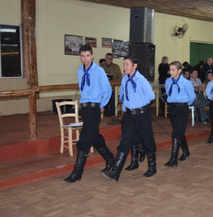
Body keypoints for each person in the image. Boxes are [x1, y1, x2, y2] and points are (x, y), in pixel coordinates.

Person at [64, 45, 114, 183]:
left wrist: (101, 105)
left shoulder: (99, 71)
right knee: (94, 136)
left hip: (94, 108)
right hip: (85, 108)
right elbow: (83, 89)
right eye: (82, 56)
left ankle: (77, 171)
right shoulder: (80, 70)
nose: (85, 59)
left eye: (87, 55)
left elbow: (108, 90)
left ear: (92, 55)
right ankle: (110, 158)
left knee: (85, 138)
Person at [103, 55, 157, 182]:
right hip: (129, 116)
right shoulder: (124, 79)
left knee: (147, 140)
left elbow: (151, 96)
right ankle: (115, 172)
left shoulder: (141, 80)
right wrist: (126, 104)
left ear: (134, 66)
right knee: (125, 142)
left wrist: (139, 103)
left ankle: (152, 167)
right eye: (124, 64)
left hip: (142, 115)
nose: (125, 67)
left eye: (127, 64)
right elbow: (122, 94)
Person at [164, 61, 196, 167]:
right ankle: (186, 151)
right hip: (172, 108)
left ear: (179, 71)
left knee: (176, 133)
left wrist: (185, 105)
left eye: (173, 70)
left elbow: (192, 97)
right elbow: (169, 93)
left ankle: (173, 159)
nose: (171, 72)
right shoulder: (168, 81)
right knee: (179, 131)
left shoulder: (186, 83)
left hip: (182, 108)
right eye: (170, 70)